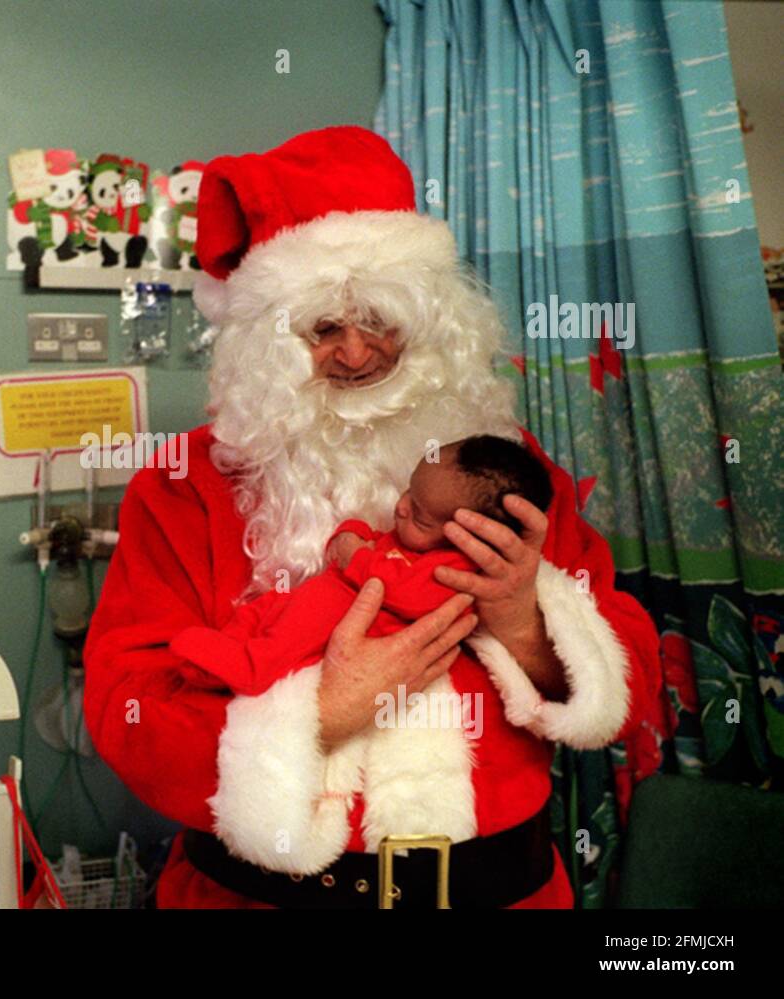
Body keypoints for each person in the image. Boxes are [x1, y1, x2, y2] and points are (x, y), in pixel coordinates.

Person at [82, 125, 663, 909]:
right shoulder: (183, 485)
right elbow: (126, 701)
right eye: (324, 329)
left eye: (381, 320)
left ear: (432, 324)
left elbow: (631, 674)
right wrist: (320, 713)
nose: (357, 356)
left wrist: (526, 625)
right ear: (267, 344)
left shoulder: (507, 465)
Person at [169, 435, 555, 698]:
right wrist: (354, 532)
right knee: (265, 610)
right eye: (408, 492)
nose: (401, 508)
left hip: (340, 614)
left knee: (296, 633)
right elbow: (378, 540)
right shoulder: (419, 532)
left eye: (419, 517)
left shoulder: (458, 570)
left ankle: (253, 668)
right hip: (321, 592)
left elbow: (405, 593)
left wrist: (357, 558)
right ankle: (228, 650)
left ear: (471, 539)